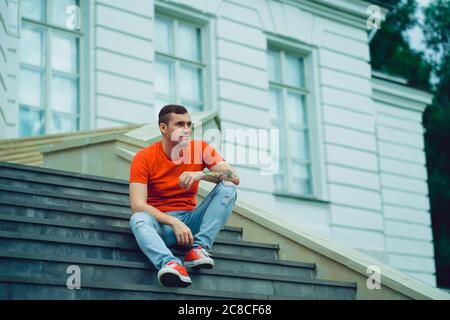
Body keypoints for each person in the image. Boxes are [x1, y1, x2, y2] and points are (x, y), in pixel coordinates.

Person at [128, 104, 240, 288]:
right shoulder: (144, 157)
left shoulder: (201, 149)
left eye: (189, 124)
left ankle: (199, 248)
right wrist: (173, 222)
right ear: (163, 128)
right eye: (180, 124)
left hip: (191, 222)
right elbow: (137, 204)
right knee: (138, 219)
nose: (187, 130)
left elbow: (234, 177)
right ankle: (170, 264)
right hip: (162, 226)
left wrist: (202, 174)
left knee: (228, 187)